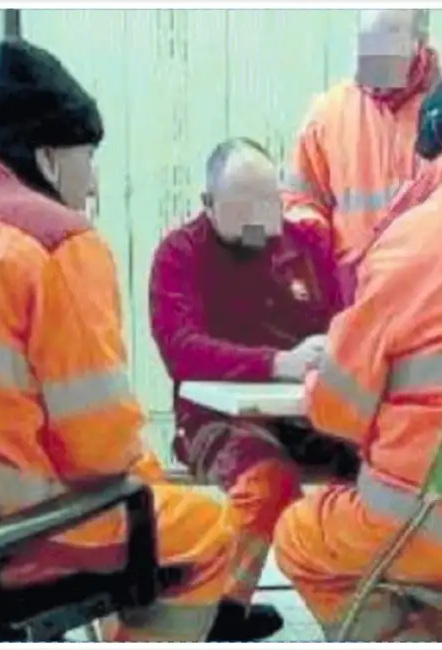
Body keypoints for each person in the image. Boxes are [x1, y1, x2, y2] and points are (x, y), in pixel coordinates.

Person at [0, 39, 235, 641]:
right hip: (23, 530)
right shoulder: (54, 243)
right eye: (88, 156)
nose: (94, 180)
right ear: (49, 158)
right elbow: (100, 450)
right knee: (210, 524)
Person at [272, 55, 442, 641]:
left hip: (422, 531)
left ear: (434, 140)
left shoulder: (411, 239)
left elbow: (338, 412)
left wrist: (321, 369)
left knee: (300, 539)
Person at [148, 137, 357, 639]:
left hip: (311, 414)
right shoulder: (180, 255)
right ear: (207, 205)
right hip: (216, 418)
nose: (259, 217)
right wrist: (276, 363)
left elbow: (349, 319)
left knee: (381, 469)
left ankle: (362, 606)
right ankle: (221, 611)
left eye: (268, 201)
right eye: (242, 205)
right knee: (267, 483)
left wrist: (337, 346)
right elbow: (181, 347)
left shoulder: (308, 246)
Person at [280, 8, 440, 302]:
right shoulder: (327, 115)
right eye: (367, 45)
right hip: (352, 297)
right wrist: (313, 253)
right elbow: (300, 201)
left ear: (419, 44)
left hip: (429, 294)